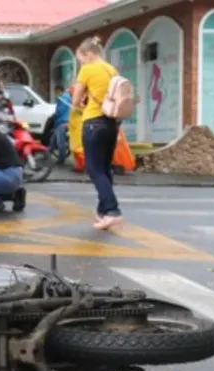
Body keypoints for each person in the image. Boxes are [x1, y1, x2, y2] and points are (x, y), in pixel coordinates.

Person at [71, 35, 123, 230]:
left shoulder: (87, 69)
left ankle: (112, 210)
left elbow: (76, 101)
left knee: (94, 169)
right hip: (111, 123)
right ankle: (103, 213)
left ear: (90, 54)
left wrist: (81, 98)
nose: (80, 63)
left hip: (93, 122)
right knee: (104, 168)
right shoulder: (112, 70)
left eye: (81, 59)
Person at [49, 85, 72, 164]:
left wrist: (54, 115)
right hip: (68, 121)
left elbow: (59, 111)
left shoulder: (62, 98)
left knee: (60, 142)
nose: (56, 93)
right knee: (53, 139)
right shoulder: (68, 97)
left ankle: (61, 160)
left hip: (61, 122)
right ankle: (47, 155)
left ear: (59, 91)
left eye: (56, 92)